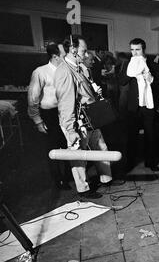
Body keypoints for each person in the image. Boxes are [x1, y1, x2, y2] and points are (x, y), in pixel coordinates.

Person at [54, 35, 113, 199]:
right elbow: (65, 105)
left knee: (101, 147)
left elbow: (84, 92)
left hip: (91, 117)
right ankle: (84, 189)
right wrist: (71, 130)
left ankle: (106, 178)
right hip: (77, 122)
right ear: (73, 50)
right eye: (84, 51)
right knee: (79, 156)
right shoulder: (64, 71)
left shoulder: (79, 67)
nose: (87, 55)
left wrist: (95, 93)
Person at [27, 42, 70, 190]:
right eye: (64, 55)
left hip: (65, 112)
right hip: (49, 115)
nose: (67, 57)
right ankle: (58, 180)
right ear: (55, 56)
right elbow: (33, 98)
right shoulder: (40, 72)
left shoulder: (66, 70)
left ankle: (68, 177)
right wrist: (38, 121)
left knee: (68, 145)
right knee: (53, 148)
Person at [118, 38, 159, 172]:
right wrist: (132, 72)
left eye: (137, 49)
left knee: (150, 135)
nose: (134, 53)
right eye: (132, 50)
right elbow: (121, 81)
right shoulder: (128, 63)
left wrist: (151, 79)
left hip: (148, 105)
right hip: (133, 106)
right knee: (131, 135)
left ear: (144, 49)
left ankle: (151, 162)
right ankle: (129, 162)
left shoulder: (152, 64)